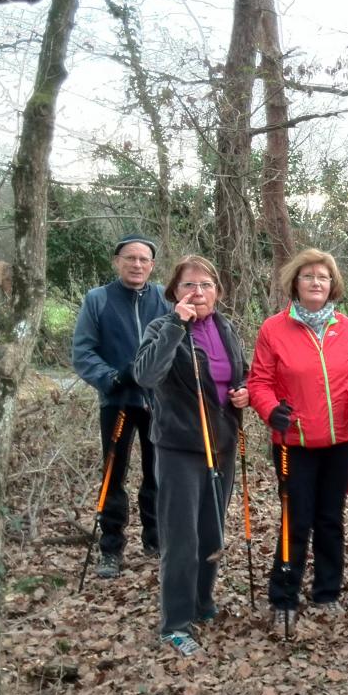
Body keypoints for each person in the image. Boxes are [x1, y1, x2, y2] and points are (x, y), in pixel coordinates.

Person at [248, 248, 348, 634]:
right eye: (308, 277)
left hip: (342, 439)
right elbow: (259, 383)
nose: (316, 283)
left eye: (322, 277)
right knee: (296, 519)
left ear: (331, 284)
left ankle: (327, 591)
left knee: (330, 518)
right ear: (295, 283)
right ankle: (284, 595)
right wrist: (271, 411)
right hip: (294, 440)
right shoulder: (274, 328)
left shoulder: (346, 327)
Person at [133, 256, 248, 656]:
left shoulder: (225, 328)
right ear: (174, 292)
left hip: (221, 444)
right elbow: (146, 375)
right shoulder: (162, 327)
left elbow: (239, 372)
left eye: (206, 285)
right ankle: (175, 623)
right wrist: (175, 326)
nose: (198, 292)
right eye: (188, 285)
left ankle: (202, 601)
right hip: (179, 446)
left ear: (217, 291)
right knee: (181, 537)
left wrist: (243, 391)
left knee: (213, 530)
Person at [72, 234, 170, 579]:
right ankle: (111, 548)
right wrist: (111, 378)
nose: (137, 264)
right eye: (130, 258)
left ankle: (156, 540)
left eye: (144, 260)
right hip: (117, 400)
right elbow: (83, 351)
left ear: (152, 266)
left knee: (156, 473)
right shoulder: (98, 300)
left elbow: (180, 344)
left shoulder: (163, 298)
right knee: (114, 474)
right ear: (117, 261)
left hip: (157, 401)